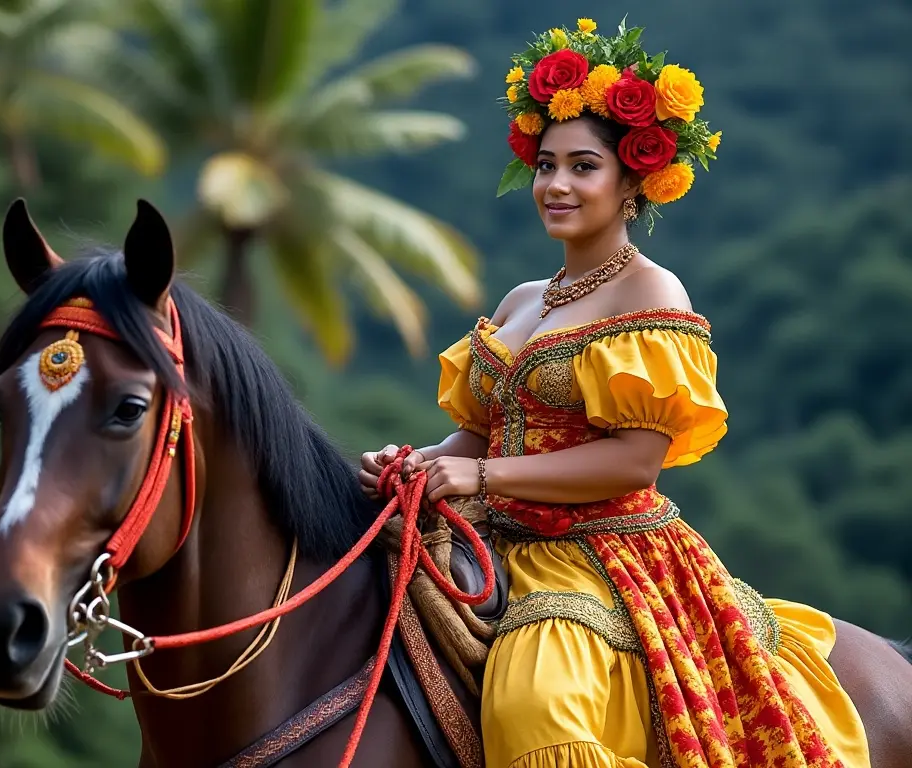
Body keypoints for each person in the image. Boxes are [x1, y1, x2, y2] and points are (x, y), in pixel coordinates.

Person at [359, 19, 871, 768]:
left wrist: (481, 476)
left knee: (536, 710)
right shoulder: (522, 298)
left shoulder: (652, 293)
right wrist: (415, 464)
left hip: (594, 551)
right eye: (546, 165)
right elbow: (477, 435)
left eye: (583, 167)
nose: (557, 185)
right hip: (488, 530)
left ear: (634, 179)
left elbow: (636, 462)